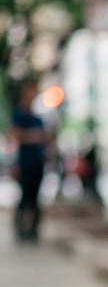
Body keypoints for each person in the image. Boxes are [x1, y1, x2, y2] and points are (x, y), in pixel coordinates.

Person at [9, 81, 47, 242]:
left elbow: (44, 137)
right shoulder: (19, 115)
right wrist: (35, 136)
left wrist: (31, 136)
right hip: (25, 163)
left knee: (36, 197)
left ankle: (33, 231)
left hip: (38, 162)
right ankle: (20, 229)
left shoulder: (37, 118)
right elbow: (16, 136)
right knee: (25, 197)